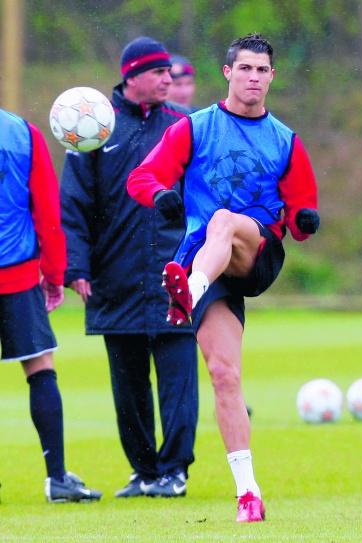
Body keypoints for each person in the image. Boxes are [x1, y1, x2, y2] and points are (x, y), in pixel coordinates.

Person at [127, 33, 320, 521]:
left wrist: (303, 220)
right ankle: (248, 493)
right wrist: (162, 196)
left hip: (257, 252)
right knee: (223, 375)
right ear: (228, 73)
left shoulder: (285, 140)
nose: (254, 77)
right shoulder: (195, 129)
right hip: (206, 262)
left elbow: (301, 210)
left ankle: (187, 293)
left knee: (224, 220)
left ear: (272, 77)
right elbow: (141, 178)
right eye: (245, 68)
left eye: (262, 70)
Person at [60, 36, 199, 499]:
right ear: (132, 76)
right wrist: (76, 265)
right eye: (159, 72)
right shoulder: (95, 128)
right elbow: (74, 204)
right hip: (114, 277)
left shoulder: (184, 124)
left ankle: (174, 471)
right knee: (128, 387)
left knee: (179, 381)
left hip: (176, 274)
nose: (168, 79)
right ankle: (144, 472)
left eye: (170, 72)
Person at [0, 108, 102, 503]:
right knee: (40, 367)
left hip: (18, 272)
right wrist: (54, 273)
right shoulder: (23, 134)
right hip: (16, 273)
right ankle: (57, 478)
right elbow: (47, 210)